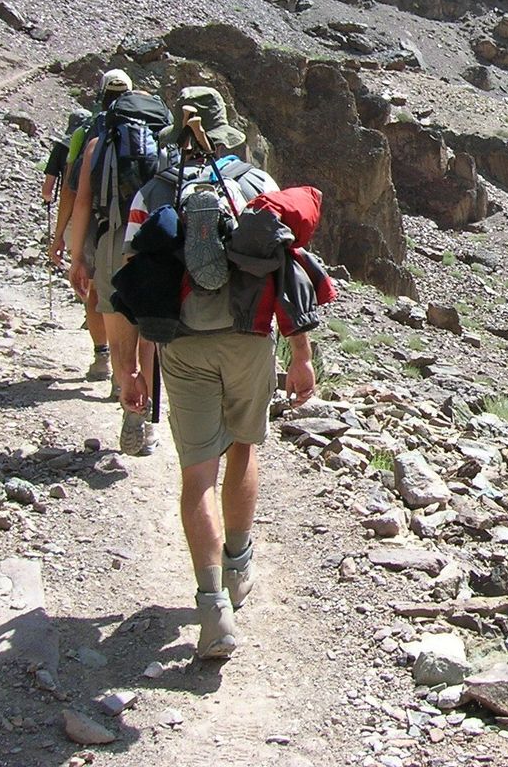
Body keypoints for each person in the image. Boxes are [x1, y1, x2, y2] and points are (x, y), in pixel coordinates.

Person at [113, 87, 321, 661]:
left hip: (182, 346)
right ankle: (238, 564)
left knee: (196, 475)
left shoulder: (153, 192)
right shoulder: (256, 185)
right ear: (225, 130)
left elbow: (132, 284)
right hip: (248, 339)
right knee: (243, 450)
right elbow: (286, 273)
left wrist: (131, 369)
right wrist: (300, 354)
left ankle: (212, 610)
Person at [66, 72, 172, 455]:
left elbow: (82, 202)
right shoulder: (165, 142)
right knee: (150, 334)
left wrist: (78, 258)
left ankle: (128, 391)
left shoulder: (98, 142)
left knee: (120, 330)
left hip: (113, 238)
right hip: (156, 242)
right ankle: (149, 419)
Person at [45, 70, 132, 386]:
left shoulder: (86, 133)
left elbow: (73, 193)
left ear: (101, 94)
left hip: (98, 222)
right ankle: (127, 375)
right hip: (137, 224)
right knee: (130, 295)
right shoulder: (148, 131)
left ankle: (102, 358)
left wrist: (61, 239)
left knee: (96, 291)